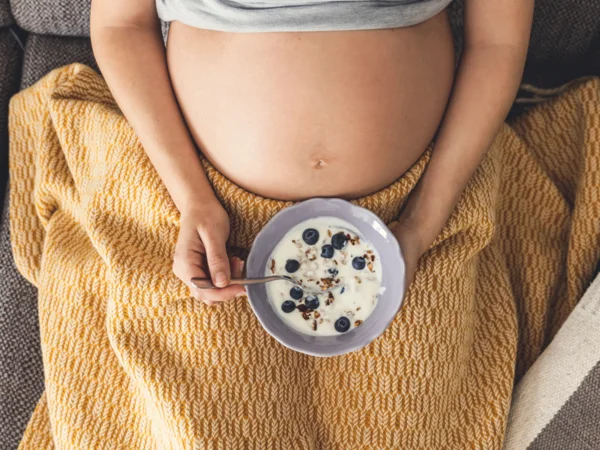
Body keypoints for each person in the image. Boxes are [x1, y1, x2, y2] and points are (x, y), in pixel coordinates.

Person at [90, 0, 534, 306]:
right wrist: (193, 201)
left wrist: (422, 223)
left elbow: (499, 43)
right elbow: (119, 25)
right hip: (202, 206)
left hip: (420, 206)